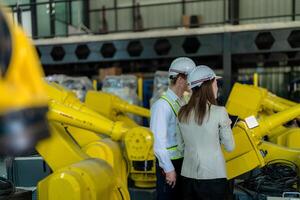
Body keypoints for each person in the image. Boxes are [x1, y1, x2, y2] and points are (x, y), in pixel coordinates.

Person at [177, 65, 235, 200]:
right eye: (215, 83)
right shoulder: (220, 112)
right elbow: (230, 147)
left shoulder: (182, 112)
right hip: (213, 177)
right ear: (207, 85)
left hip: (187, 177)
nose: (217, 87)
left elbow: (180, 147)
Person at [150, 57, 196, 200]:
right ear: (181, 79)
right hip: (169, 164)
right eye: (191, 78)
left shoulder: (180, 102)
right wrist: (169, 169)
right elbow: (158, 143)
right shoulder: (162, 106)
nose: (192, 82)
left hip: (180, 161)